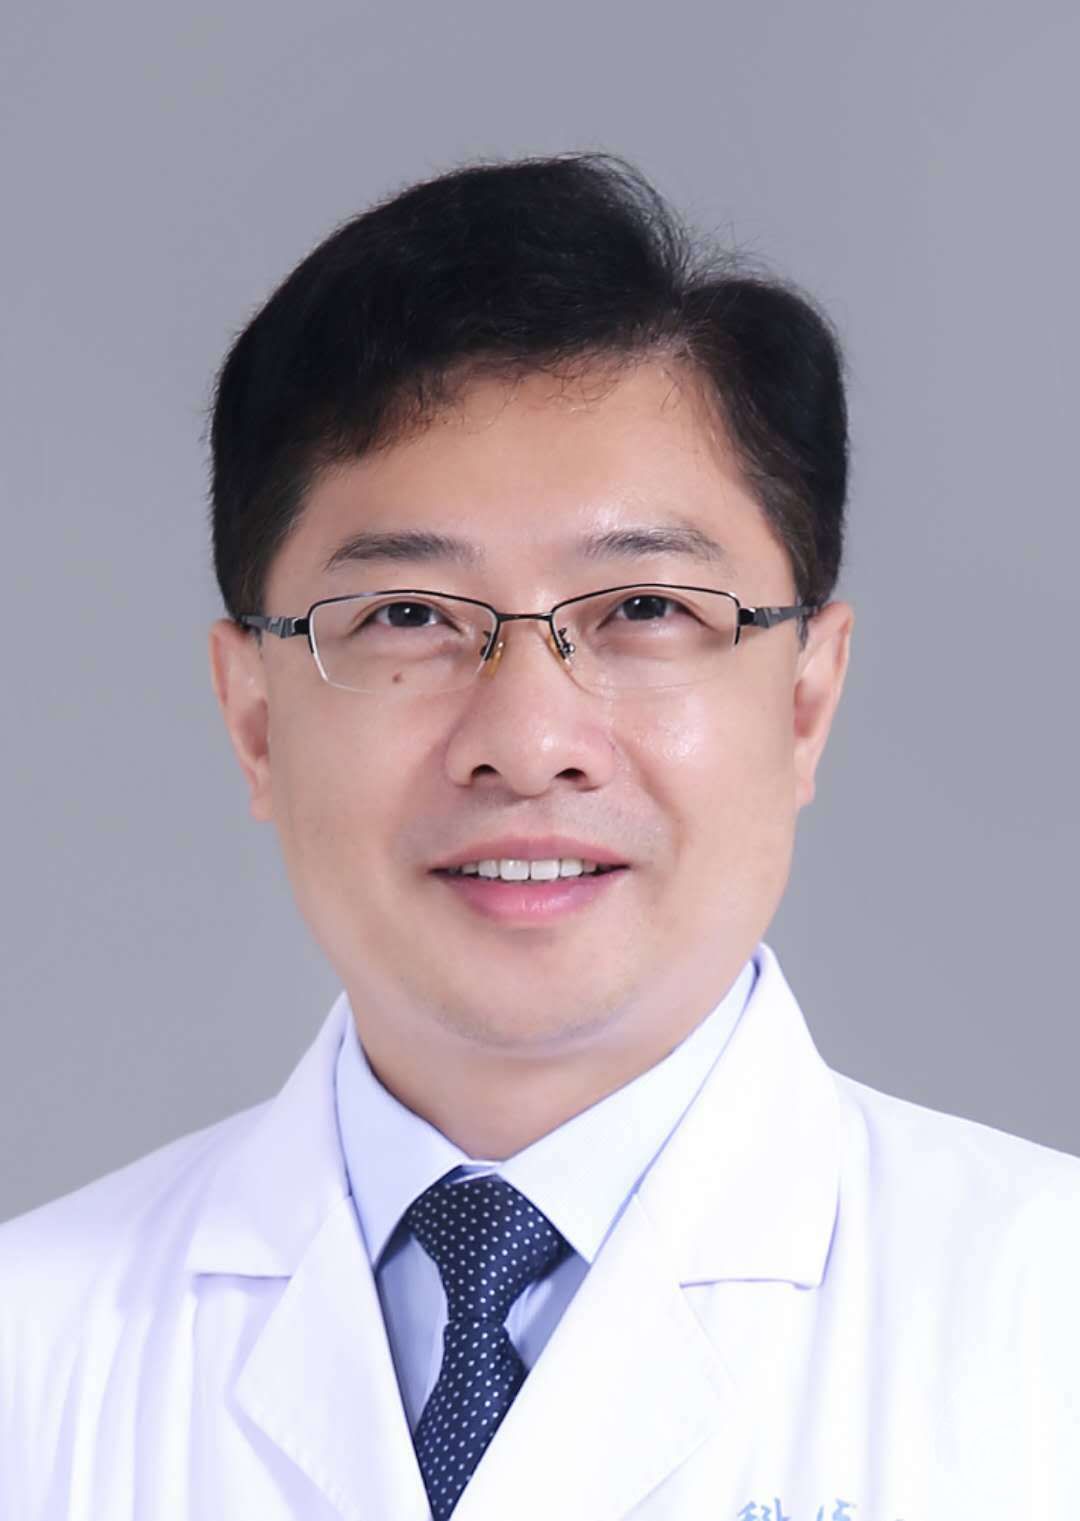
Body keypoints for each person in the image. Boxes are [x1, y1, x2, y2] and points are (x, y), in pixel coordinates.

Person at [1, 153, 1076, 1521]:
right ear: (254, 715)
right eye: (405, 616)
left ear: (806, 700)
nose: (527, 738)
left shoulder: (1047, 1327)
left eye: (644, 609)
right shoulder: (30, 1353)